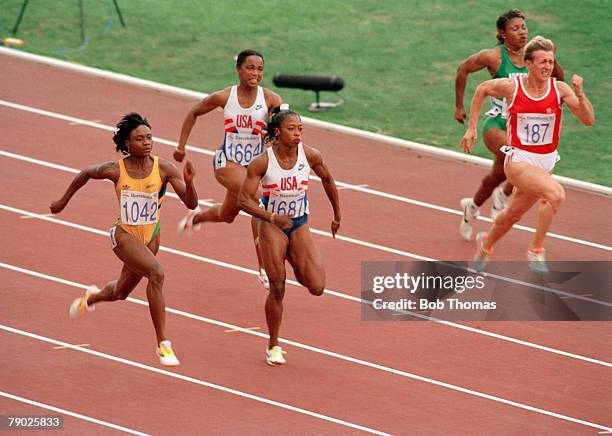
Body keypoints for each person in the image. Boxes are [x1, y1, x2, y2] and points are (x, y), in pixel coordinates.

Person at [50, 113, 199, 366]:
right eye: (139, 139)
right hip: (124, 235)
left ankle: (92, 297)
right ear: (127, 144)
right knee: (157, 273)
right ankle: (163, 343)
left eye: (149, 137)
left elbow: (191, 203)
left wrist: (190, 181)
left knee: (120, 292)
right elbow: (86, 173)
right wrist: (63, 201)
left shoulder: (163, 168)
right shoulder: (115, 170)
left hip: (151, 236)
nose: (146, 142)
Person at [460, 36, 594, 273]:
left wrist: (580, 95)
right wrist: (471, 128)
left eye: (551, 62)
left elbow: (588, 120)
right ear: (528, 63)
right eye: (542, 62)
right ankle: (536, 250)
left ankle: (486, 245)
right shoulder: (514, 87)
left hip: (545, 162)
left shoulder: (559, 90)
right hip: (519, 160)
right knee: (555, 195)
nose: (547, 67)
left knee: (512, 215)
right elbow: (482, 89)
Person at [237, 105, 341, 366]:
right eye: (291, 129)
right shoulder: (263, 162)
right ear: (277, 131)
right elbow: (243, 200)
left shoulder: (310, 155)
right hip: (272, 225)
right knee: (278, 287)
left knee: (317, 286)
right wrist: (270, 218)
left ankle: (294, 259)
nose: (297, 134)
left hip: (299, 223)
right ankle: (274, 345)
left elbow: (328, 180)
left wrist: (337, 214)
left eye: (300, 129)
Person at [174, 49, 283, 290]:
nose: (255, 73)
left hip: (253, 167)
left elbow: (285, 121)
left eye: (260, 69)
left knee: (228, 215)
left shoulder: (271, 99)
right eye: (250, 68)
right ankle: (263, 267)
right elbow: (194, 111)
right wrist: (181, 146)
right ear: (239, 69)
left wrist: (278, 126)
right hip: (226, 164)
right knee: (258, 202)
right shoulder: (224, 97)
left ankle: (197, 217)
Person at [454, 8, 564, 241]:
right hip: (497, 124)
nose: (522, 33)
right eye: (515, 29)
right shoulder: (493, 57)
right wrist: (459, 106)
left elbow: (559, 80)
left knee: (496, 174)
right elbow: (462, 69)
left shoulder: (537, 56)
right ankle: (503, 197)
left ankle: (471, 207)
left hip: (526, 126)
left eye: (523, 27)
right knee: (517, 159)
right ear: (502, 33)